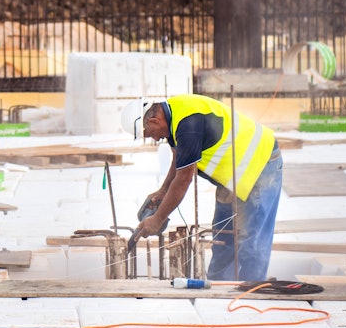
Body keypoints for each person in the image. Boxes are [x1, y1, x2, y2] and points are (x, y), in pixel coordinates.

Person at [120, 94, 283, 281]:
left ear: (155, 120)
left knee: (251, 241)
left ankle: (250, 295)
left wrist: (158, 219)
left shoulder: (188, 124)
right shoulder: (174, 114)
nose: (155, 139)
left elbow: (184, 179)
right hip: (232, 175)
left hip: (259, 165)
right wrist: (163, 190)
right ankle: (221, 293)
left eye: (151, 134)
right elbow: (179, 158)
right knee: (223, 239)